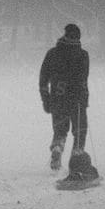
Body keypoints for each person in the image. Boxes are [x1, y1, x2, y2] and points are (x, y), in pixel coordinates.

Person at [39, 22, 89, 172]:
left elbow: (43, 79)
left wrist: (46, 99)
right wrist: (85, 99)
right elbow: (83, 79)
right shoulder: (83, 55)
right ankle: (77, 156)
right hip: (76, 99)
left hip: (57, 98)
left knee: (60, 130)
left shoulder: (52, 53)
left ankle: (57, 148)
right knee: (80, 130)